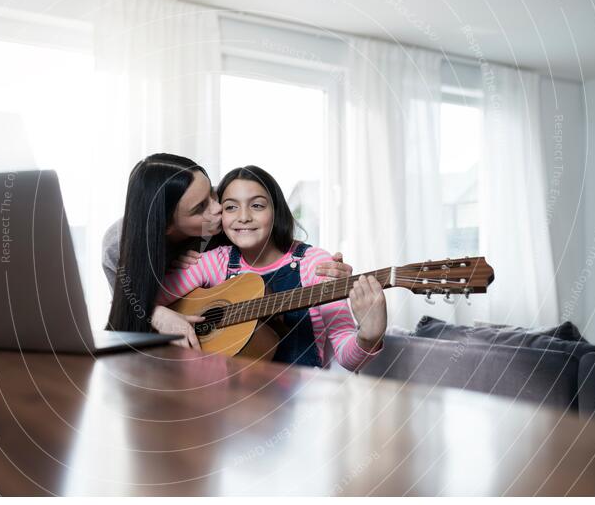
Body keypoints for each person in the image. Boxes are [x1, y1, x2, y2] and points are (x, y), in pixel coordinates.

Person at [104, 153, 353, 347]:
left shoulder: (229, 226)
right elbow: (128, 309)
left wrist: (319, 266)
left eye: (213, 194)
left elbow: (264, 227)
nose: (219, 209)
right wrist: (157, 314)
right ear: (168, 226)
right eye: (200, 207)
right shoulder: (117, 246)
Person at [156, 165, 387, 371]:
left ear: (275, 212)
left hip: (301, 402)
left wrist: (368, 337)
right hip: (226, 402)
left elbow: (347, 357)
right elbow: (142, 303)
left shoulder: (315, 264)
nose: (244, 217)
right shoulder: (213, 262)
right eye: (231, 207)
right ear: (220, 215)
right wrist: (157, 313)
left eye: (257, 205)